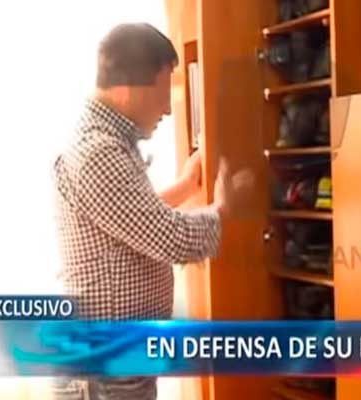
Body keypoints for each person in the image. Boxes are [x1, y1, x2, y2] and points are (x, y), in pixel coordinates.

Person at [51, 22, 252, 400]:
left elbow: (127, 220)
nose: (167, 108)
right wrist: (224, 208)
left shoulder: (106, 143)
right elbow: (169, 238)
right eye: (162, 92)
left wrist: (186, 187)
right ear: (128, 88)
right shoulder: (99, 152)